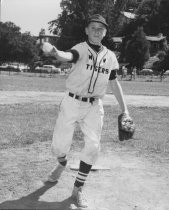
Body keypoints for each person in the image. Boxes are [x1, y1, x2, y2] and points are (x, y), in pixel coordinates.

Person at [41, 14, 130, 208]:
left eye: (101, 28)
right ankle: (62, 162)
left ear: (106, 32)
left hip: (94, 106)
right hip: (71, 102)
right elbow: (68, 56)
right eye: (93, 27)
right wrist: (56, 52)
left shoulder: (110, 57)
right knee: (58, 146)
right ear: (87, 30)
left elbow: (114, 84)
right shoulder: (81, 48)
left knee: (93, 146)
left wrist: (126, 111)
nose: (97, 31)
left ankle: (77, 189)